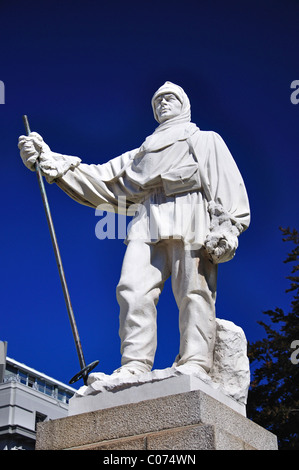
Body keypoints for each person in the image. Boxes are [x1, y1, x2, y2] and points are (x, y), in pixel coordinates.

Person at [18, 82, 250, 380]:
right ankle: (135, 364)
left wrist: (227, 227)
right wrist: (49, 159)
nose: (163, 103)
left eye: (170, 98)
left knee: (193, 289)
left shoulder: (203, 140)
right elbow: (103, 179)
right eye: (158, 101)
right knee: (131, 288)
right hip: (147, 218)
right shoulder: (141, 154)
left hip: (191, 214)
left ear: (184, 104)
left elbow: (225, 183)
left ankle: (195, 361)